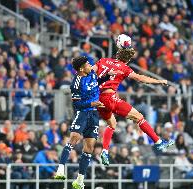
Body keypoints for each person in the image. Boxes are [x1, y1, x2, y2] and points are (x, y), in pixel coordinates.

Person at [93, 47, 174, 165]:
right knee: (139, 117)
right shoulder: (124, 67)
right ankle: (158, 142)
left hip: (99, 99)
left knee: (112, 124)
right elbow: (140, 78)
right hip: (110, 98)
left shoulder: (103, 60)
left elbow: (90, 71)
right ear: (128, 59)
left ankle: (104, 151)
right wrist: (159, 81)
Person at [54, 56, 113, 189]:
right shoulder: (76, 82)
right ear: (81, 68)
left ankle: (79, 180)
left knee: (90, 147)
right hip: (83, 113)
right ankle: (60, 168)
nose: (90, 65)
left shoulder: (92, 74)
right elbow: (77, 105)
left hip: (94, 114)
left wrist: (107, 76)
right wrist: (91, 103)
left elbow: (97, 81)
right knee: (74, 139)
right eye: (87, 64)